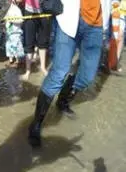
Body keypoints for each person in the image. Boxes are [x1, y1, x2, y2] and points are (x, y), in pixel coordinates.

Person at [28, 0, 111, 148]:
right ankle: (36, 124)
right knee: (59, 72)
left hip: (96, 23)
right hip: (69, 17)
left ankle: (62, 100)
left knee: (87, 77)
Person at [20, 0, 51, 80]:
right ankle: (28, 70)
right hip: (29, 11)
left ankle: (43, 67)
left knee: (43, 42)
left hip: (45, 10)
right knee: (29, 42)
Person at [5, 1, 25, 68]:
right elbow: (5, 20)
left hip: (16, 32)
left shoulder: (16, 9)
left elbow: (21, 20)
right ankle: (10, 60)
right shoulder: (6, 9)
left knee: (16, 46)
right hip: (8, 32)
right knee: (9, 46)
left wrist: (12, 20)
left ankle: (18, 61)